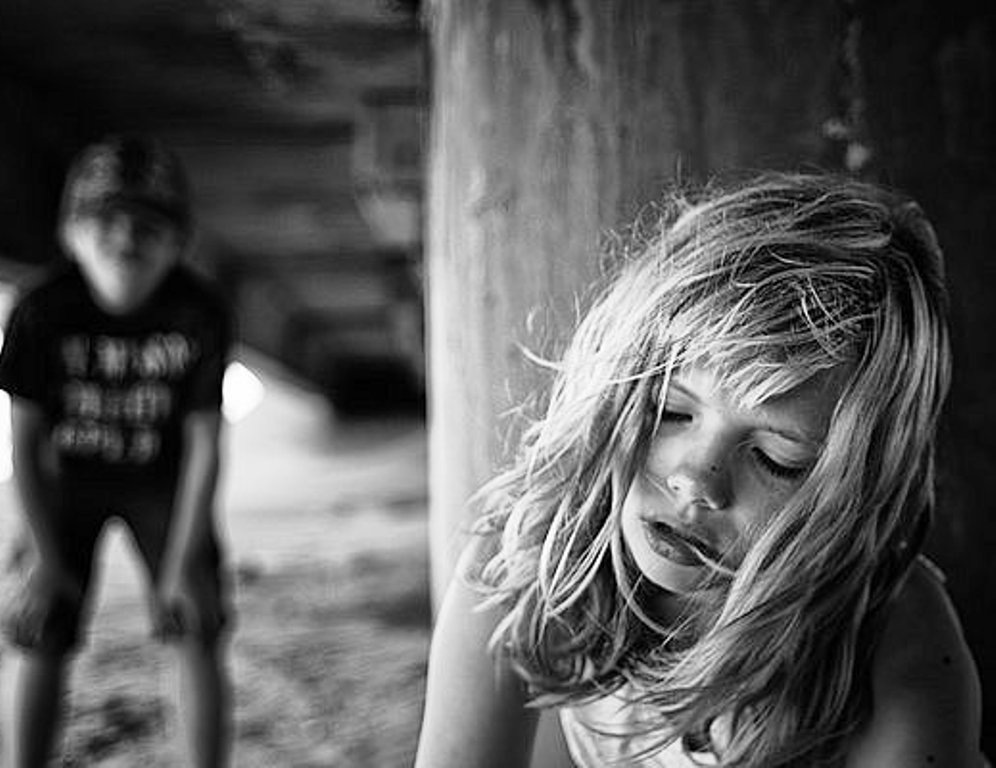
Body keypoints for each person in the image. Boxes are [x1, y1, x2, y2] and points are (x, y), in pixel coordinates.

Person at [414, 172, 984, 767]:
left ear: (854, 494)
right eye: (670, 410)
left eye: (775, 459)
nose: (695, 481)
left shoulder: (894, 643)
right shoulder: (529, 558)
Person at [0, 135, 233, 767]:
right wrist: (42, 555)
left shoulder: (200, 310)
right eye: (105, 220)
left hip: (164, 481)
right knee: (39, 622)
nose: (126, 236)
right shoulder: (40, 309)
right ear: (69, 236)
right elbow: (22, 441)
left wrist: (183, 562)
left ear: (180, 243)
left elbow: (205, 443)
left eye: (149, 226)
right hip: (65, 481)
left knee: (196, 619)